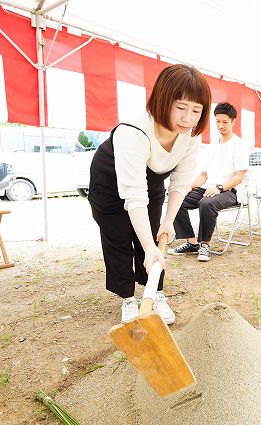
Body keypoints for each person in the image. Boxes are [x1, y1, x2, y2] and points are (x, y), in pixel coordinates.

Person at [88, 64, 211, 325]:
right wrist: (147, 247)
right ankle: (128, 299)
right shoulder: (133, 131)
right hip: (109, 183)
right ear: (162, 99)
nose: (188, 118)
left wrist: (168, 221)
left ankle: (154, 293)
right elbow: (134, 195)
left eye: (196, 110)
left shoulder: (191, 135)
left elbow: (180, 182)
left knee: (154, 236)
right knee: (120, 237)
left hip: (152, 179)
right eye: (181, 107)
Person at [167, 102, 249, 261]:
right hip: (209, 188)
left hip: (230, 191)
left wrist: (220, 187)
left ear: (233, 122)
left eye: (225, 122)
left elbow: (239, 177)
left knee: (206, 203)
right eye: (217, 121)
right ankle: (191, 242)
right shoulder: (212, 146)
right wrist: (187, 187)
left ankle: (204, 244)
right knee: (177, 198)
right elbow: (204, 175)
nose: (221, 125)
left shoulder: (239, 145)